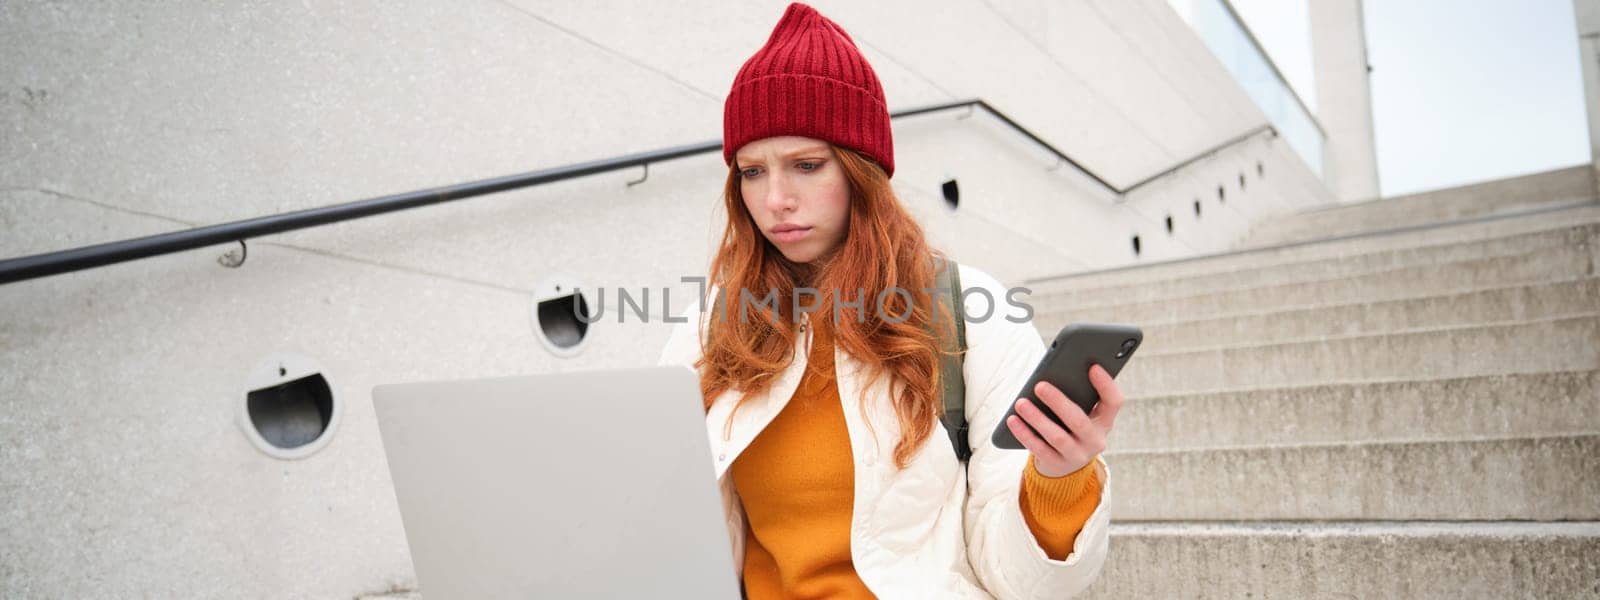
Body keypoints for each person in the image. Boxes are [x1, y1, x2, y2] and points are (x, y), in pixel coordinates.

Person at [658, 4, 1119, 598]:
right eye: (751, 171)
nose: (775, 199)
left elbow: (1024, 582)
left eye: (806, 165)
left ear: (862, 170)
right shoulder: (711, 329)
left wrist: (1059, 477)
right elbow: (670, 525)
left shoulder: (970, 311)